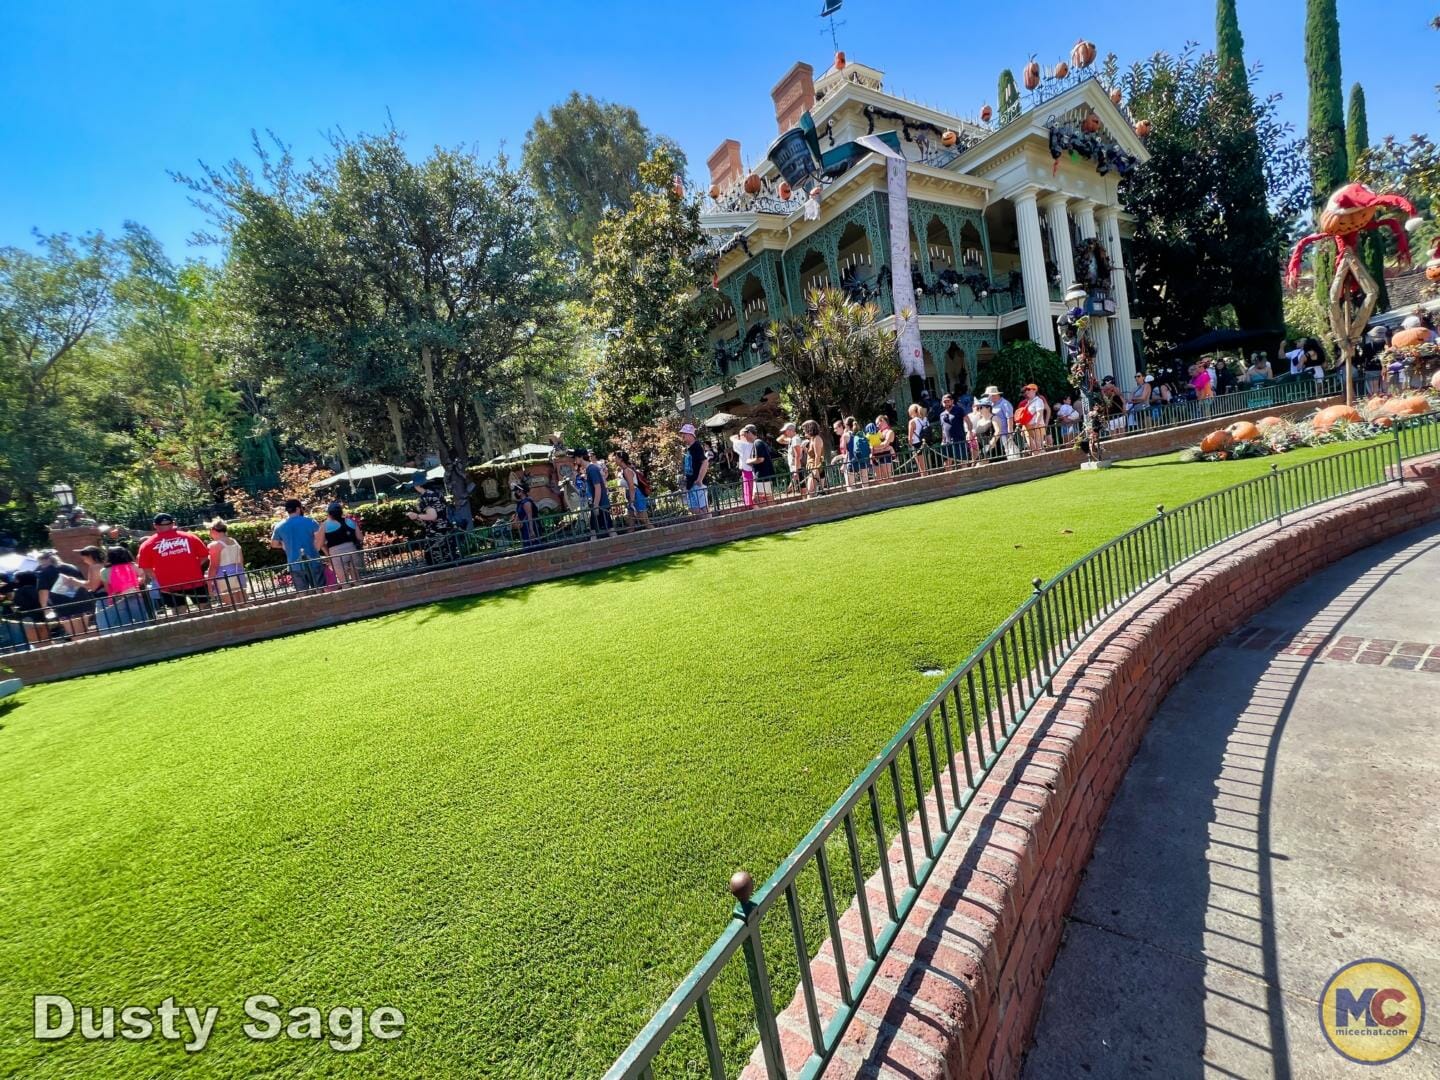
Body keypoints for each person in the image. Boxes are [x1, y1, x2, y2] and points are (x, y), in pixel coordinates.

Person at [137, 513, 211, 612]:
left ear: (155, 526)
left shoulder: (147, 545)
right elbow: (205, 556)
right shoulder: (190, 537)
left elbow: (146, 568)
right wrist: (193, 566)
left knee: (179, 614)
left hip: (169, 585)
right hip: (195, 580)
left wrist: (158, 576)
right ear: (173, 524)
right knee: (206, 609)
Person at [270, 499, 325, 591]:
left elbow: (274, 544)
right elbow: (320, 539)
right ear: (298, 509)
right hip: (313, 561)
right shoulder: (310, 522)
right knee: (319, 589)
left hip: (294, 564)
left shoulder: (279, 526)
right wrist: (316, 548)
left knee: (302, 593)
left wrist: (284, 546)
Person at [99, 546, 148, 630]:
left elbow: (107, 589)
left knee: (124, 623)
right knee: (141, 619)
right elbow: (142, 578)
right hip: (134, 594)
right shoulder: (133, 566)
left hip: (117, 598)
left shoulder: (104, 571)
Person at [407, 480, 455, 564]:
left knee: (434, 560)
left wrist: (416, 516)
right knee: (449, 558)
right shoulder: (437, 493)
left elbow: (433, 516)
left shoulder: (425, 497)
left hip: (435, 534)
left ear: (417, 485)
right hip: (447, 530)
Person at [315, 502, 363, 586]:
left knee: (344, 581)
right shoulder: (350, 521)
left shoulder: (325, 525)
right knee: (357, 578)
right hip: (352, 550)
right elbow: (360, 538)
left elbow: (319, 544)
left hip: (336, 553)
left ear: (329, 513)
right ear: (341, 512)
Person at [611, 449, 650, 529]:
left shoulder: (626, 471)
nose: (614, 460)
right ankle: (630, 532)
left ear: (621, 459)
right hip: (631, 495)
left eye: (616, 458)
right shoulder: (624, 470)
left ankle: (657, 533)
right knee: (631, 521)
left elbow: (631, 487)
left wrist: (632, 502)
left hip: (636, 495)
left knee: (644, 519)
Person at [679, 423, 710, 517]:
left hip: (697, 483)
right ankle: (706, 524)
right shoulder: (690, 448)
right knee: (692, 507)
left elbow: (705, 462)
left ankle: (710, 525)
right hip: (691, 483)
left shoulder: (696, 447)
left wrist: (700, 479)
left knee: (703, 508)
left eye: (684, 433)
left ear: (690, 435)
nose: (682, 436)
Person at [983, 386, 1015, 459]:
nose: (988, 397)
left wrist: (1010, 433)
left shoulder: (1005, 404)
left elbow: (1009, 419)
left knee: (1008, 451)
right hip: (995, 434)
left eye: (989, 395)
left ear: (994, 395)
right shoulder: (991, 404)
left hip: (1004, 433)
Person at [1016, 384, 1051, 452]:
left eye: (1029, 390)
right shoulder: (1028, 402)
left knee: (1039, 447)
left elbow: (1039, 413)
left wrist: (1036, 425)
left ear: (1034, 390)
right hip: (1028, 427)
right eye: (1026, 390)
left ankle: (1042, 460)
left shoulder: (1039, 400)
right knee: (1032, 448)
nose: (1027, 391)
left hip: (1036, 426)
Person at [748, 428, 776, 505]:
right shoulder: (757, 443)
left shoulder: (758, 442)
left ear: (750, 433)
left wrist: (749, 461)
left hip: (763, 475)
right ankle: (772, 514)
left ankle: (771, 514)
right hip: (763, 475)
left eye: (745, 434)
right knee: (765, 498)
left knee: (760, 499)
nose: (744, 437)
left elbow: (760, 459)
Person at [939, 393, 970, 465]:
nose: (946, 403)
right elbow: (943, 429)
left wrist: (970, 432)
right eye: (944, 402)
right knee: (946, 463)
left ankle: (966, 476)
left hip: (959, 440)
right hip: (947, 442)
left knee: (962, 462)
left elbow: (968, 421)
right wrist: (942, 441)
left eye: (948, 401)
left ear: (952, 401)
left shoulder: (959, 410)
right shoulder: (941, 415)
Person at [733, 425, 758, 508]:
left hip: (749, 471)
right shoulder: (754, 443)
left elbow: (734, 440)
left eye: (742, 435)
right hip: (751, 470)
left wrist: (736, 438)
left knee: (751, 491)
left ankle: (753, 506)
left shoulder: (744, 445)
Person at [843, 416, 871, 489]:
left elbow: (845, 452)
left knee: (851, 485)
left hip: (852, 461)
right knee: (865, 483)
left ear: (846, 425)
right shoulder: (861, 434)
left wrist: (844, 464)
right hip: (862, 459)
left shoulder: (846, 436)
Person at [512, 483, 542, 548]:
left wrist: (531, 531)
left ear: (522, 491)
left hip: (529, 526)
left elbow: (529, 516)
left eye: (517, 490)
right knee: (527, 546)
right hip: (524, 527)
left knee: (533, 546)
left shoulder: (527, 502)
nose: (516, 492)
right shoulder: (520, 503)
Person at [801, 419, 826, 496]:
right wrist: (804, 448)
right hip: (811, 467)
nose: (804, 431)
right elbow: (811, 455)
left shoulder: (816, 439)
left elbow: (818, 455)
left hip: (815, 468)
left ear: (809, 429)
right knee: (811, 492)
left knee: (811, 492)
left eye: (805, 429)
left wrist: (815, 469)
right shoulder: (811, 439)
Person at [873, 415, 898, 482]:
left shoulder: (890, 432)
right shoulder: (878, 433)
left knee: (888, 477)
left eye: (878, 423)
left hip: (886, 457)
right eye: (876, 424)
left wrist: (875, 447)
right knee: (880, 479)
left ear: (883, 421)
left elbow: (885, 444)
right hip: (878, 457)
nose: (877, 426)